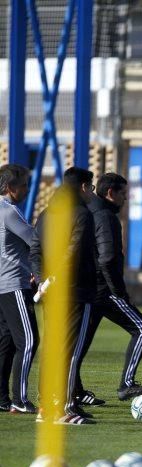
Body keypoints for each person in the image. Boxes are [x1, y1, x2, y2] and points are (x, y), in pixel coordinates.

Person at [76, 173, 142, 402]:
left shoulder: (88, 212)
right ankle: (126, 384)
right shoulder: (106, 217)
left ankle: (74, 391)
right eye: (123, 193)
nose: (126, 198)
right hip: (105, 290)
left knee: (81, 342)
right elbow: (108, 258)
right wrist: (119, 292)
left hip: (88, 289)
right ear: (110, 193)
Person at [31, 166, 98, 424]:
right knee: (70, 351)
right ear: (82, 187)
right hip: (76, 292)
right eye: (90, 187)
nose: (92, 192)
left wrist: (41, 280)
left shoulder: (47, 214)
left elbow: (35, 251)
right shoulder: (82, 213)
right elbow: (75, 250)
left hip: (51, 293)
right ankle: (62, 408)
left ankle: (45, 407)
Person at [0, 164, 39, 414]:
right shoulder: (10, 212)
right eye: (24, 184)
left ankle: (2, 397)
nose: (26, 189)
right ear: (10, 187)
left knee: (7, 341)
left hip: (2, 286)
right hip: (14, 283)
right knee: (28, 341)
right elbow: (35, 240)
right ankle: (20, 399)